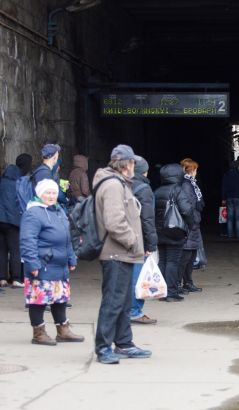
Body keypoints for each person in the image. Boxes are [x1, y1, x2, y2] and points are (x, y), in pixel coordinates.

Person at [93, 144, 151, 364]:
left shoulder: (120, 183)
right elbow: (115, 222)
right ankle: (103, 347)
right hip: (116, 253)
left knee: (124, 301)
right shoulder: (113, 186)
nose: (134, 166)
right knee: (113, 302)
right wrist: (133, 241)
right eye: (133, 162)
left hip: (123, 253)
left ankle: (124, 343)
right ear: (126, 164)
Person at [20, 179, 84, 345]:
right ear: (40, 194)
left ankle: (63, 330)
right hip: (42, 264)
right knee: (38, 299)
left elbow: (67, 238)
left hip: (59, 264)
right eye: (47, 193)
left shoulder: (59, 211)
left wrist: (71, 257)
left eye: (54, 193)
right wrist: (32, 263)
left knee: (60, 298)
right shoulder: (33, 213)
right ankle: (38, 333)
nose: (51, 196)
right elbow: (28, 240)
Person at [154, 163, 194, 301]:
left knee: (163, 260)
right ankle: (171, 292)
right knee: (173, 261)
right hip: (174, 231)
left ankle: (162, 291)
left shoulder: (157, 191)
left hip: (159, 231)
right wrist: (190, 225)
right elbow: (187, 210)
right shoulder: (178, 190)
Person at [129, 157, 158, 324]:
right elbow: (147, 219)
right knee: (137, 276)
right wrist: (151, 244)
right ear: (145, 171)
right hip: (138, 239)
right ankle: (135, 311)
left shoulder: (122, 185)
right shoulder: (144, 189)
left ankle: (124, 310)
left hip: (121, 238)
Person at [0, 154, 32, 288]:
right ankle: (16, 278)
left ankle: (2, 279)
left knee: (1, 250)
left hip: (0, 220)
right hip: (13, 221)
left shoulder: (3, 179)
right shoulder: (21, 181)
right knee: (15, 250)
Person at [179, 158, 204, 293]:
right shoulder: (186, 185)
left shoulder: (191, 184)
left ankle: (188, 282)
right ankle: (180, 283)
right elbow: (188, 206)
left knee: (191, 255)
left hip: (194, 222)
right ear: (191, 170)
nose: (196, 172)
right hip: (190, 224)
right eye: (195, 169)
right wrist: (192, 220)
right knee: (186, 256)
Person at [221, 161, 239, 239]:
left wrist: (223, 198)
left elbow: (223, 187)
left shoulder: (226, 175)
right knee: (238, 218)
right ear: (237, 167)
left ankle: (230, 235)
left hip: (229, 198)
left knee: (229, 218)